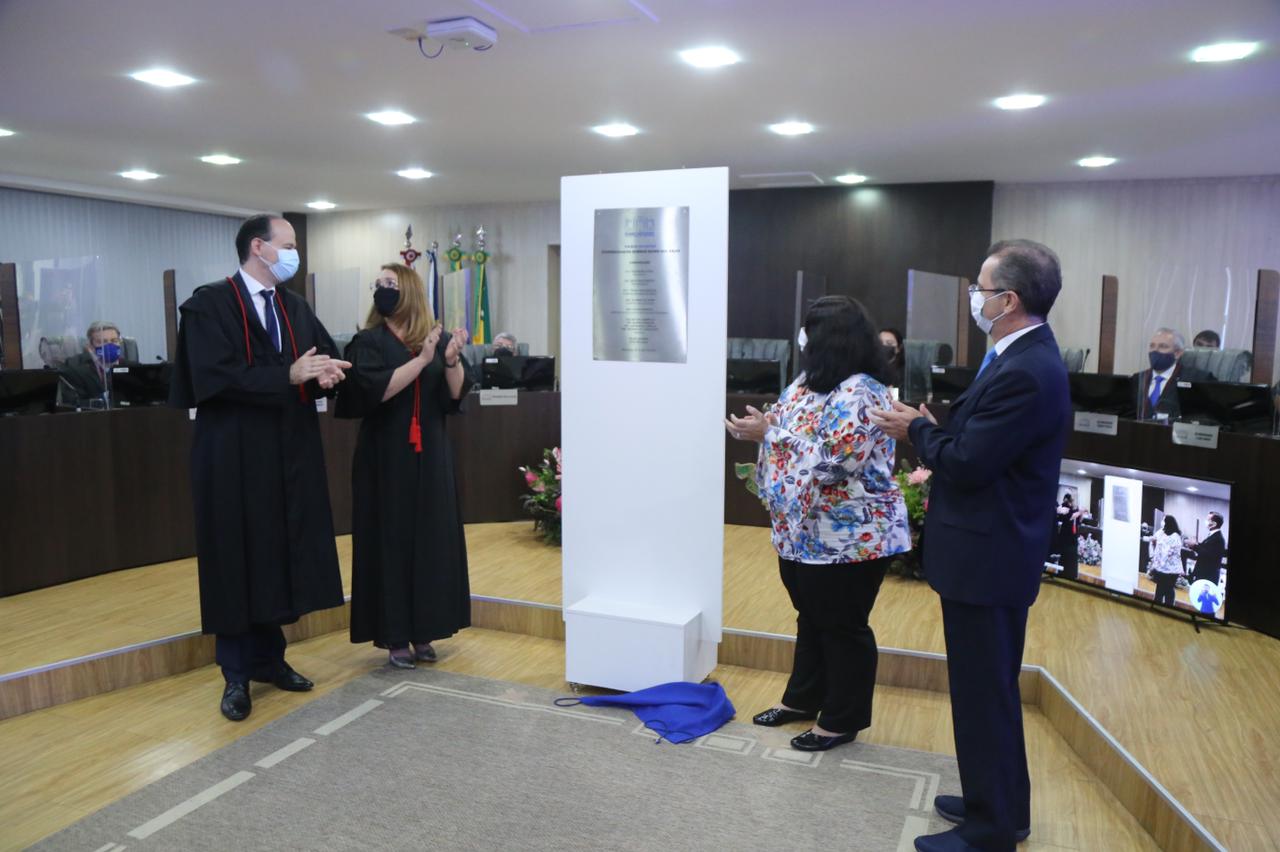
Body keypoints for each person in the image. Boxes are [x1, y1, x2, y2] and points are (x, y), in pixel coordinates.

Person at [870, 239, 1070, 852]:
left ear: (1007, 299)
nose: (973, 299)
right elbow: (979, 445)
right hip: (992, 553)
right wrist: (940, 430)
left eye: (980, 289)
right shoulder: (1020, 356)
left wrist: (918, 430)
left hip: (990, 558)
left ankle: (990, 831)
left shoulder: (1027, 370)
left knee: (985, 694)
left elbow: (970, 464)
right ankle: (1001, 806)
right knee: (990, 689)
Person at [169, 214, 351, 723]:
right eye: (288, 244)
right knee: (235, 557)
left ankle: (271, 660)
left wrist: (326, 376)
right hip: (231, 455)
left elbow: (315, 363)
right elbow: (213, 378)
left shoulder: (293, 306)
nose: (295, 254)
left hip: (287, 454)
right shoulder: (209, 304)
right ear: (259, 247)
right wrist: (288, 374)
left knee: (277, 553)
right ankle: (234, 675)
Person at [726, 295, 910, 753]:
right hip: (803, 532)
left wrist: (771, 434)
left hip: (851, 537)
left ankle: (841, 719)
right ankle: (803, 700)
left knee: (843, 624)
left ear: (827, 338)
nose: (801, 337)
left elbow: (836, 461)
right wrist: (765, 424)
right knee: (811, 618)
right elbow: (791, 431)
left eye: (808, 328)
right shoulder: (805, 382)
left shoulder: (863, 390)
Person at [337, 263, 473, 668]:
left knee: (432, 540)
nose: (382, 290)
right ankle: (394, 635)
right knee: (389, 540)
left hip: (431, 456)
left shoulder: (438, 338)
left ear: (410, 290)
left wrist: (449, 360)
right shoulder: (368, 342)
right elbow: (372, 392)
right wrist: (421, 360)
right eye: (377, 284)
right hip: (385, 457)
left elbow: (454, 397)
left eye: (390, 283)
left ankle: (424, 630)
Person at [1131, 328, 1215, 421]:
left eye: (1163, 346)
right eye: (1152, 346)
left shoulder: (1198, 379)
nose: (1155, 351)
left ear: (1178, 353)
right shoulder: (1137, 379)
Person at [57, 320, 130, 406]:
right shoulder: (74, 369)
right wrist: (103, 400)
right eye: (103, 342)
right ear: (90, 347)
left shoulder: (132, 367)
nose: (110, 346)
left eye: (114, 341)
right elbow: (71, 404)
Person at [1146, 515, 1185, 607]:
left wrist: (1157, 565)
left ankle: (1169, 606)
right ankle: (1156, 605)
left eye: (1164, 520)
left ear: (1168, 522)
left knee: (1168, 589)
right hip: (1161, 568)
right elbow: (1154, 539)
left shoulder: (1175, 536)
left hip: (1171, 569)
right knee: (1160, 588)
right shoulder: (1161, 532)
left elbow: (1169, 553)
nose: (1162, 522)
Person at [1053, 493, 1089, 581]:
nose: (1074, 502)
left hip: (1073, 536)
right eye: (1073, 500)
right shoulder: (1064, 507)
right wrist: (1080, 512)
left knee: (1073, 556)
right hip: (1066, 536)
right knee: (1065, 554)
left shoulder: (1075, 509)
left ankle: (1072, 574)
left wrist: (1082, 515)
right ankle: (1062, 573)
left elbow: (1078, 521)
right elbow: (1071, 517)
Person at [1187, 512, 1226, 587]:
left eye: (1208, 520)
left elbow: (1207, 554)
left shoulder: (1218, 539)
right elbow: (1205, 548)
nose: (1206, 521)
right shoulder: (1212, 536)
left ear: (1214, 524)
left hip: (1208, 577)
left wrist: (1195, 546)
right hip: (1202, 574)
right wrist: (1196, 544)